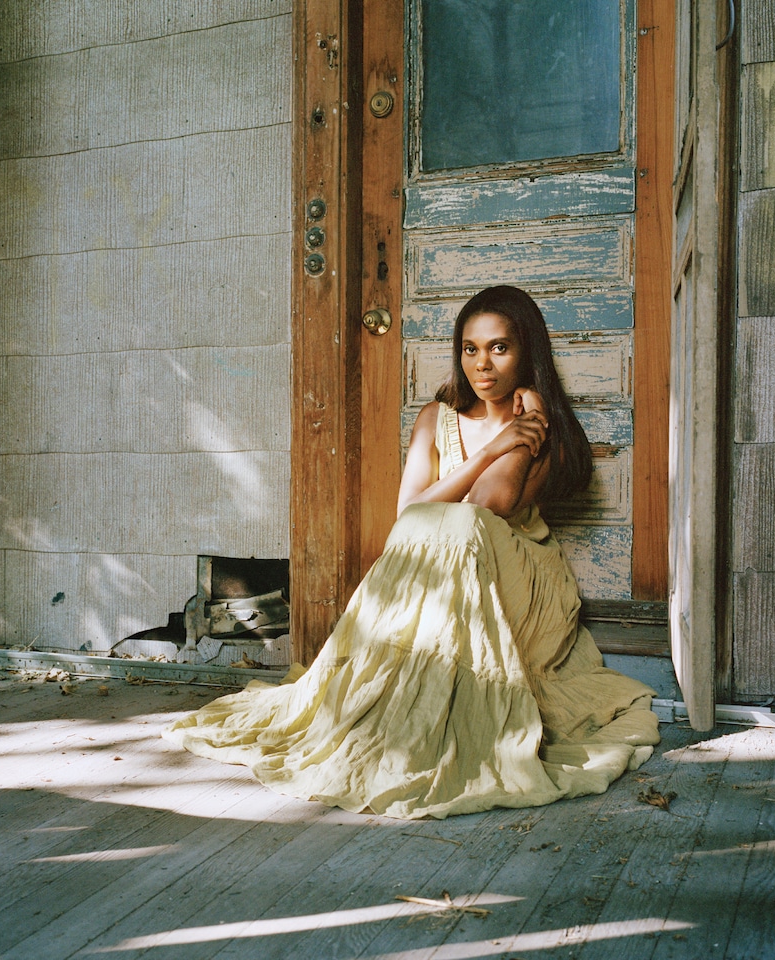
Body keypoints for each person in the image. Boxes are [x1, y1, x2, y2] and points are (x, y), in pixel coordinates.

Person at [163, 286, 659, 819]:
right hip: (440, 579)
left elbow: (492, 504)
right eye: (470, 349)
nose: (482, 365)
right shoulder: (436, 417)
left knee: (462, 522)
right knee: (438, 522)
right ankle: (398, 708)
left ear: (527, 353)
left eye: (499, 348)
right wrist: (491, 447)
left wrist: (524, 425)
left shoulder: (544, 429)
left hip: (516, 575)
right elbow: (409, 512)